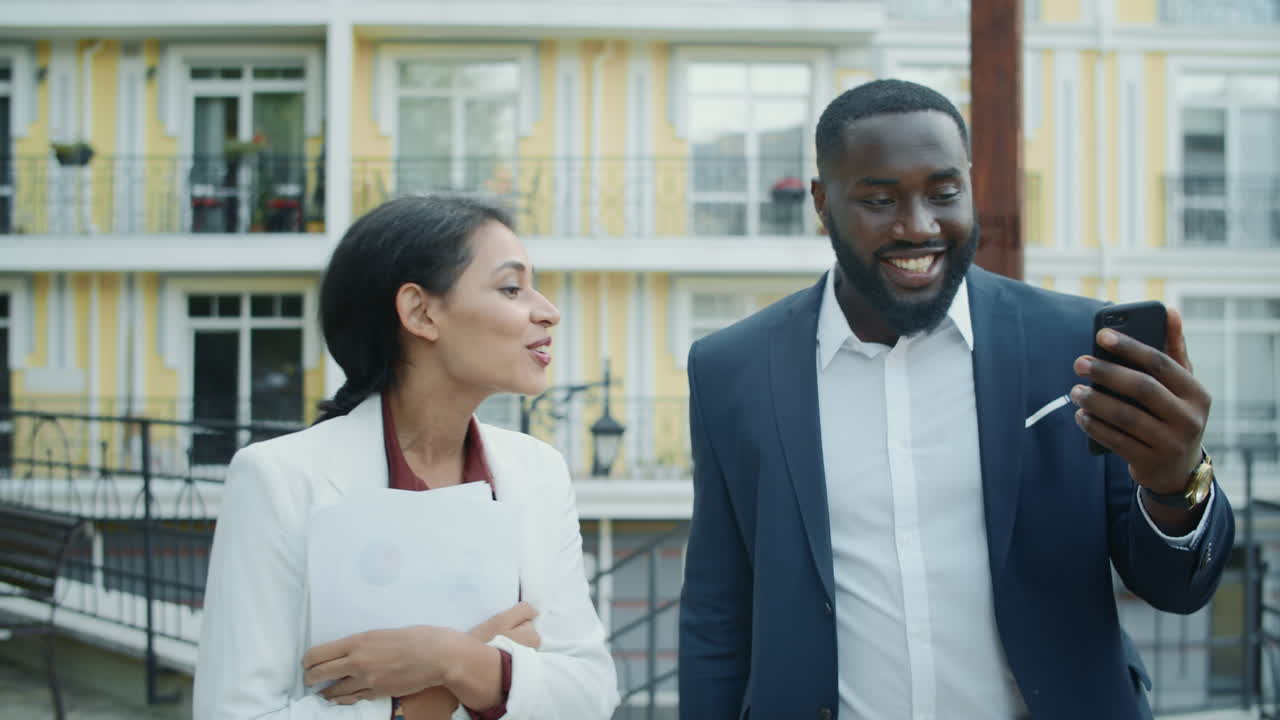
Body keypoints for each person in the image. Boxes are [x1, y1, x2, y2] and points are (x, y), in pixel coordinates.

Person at [677, 79, 1234, 720]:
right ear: (822, 204)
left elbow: (1176, 587)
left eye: (944, 194)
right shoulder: (731, 370)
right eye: (879, 200)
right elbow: (717, 615)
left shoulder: (1075, 346)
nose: (919, 226)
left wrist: (1176, 484)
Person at [195, 195, 619, 720]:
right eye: (512, 288)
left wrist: (449, 659)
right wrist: (426, 702)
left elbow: (591, 693)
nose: (547, 311)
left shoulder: (539, 472)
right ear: (420, 312)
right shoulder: (279, 478)